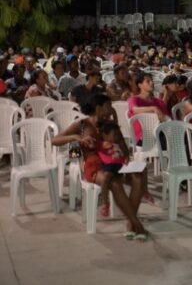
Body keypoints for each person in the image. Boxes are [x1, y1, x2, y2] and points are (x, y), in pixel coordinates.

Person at [52, 94, 150, 240]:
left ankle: (131, 223)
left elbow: (122, 143)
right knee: (114, 182)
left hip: (113, 161)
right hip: (93, 165)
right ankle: (138, 226)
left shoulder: (109, 124)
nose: (111, 109)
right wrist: (75, 138)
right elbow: (55, 140)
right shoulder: (82, 124)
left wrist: (126, 157)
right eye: (108, 106)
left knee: (139, 176)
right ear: (98, 108)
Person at [96, 121, 129, 217]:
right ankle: (105, 203)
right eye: (114, 134)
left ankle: (142, 192)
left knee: (136, 176)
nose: (117, 136)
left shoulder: (118, 143)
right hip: (109, 166)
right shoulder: (101, 144)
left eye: (118, 134)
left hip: (120, 166)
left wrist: (126, 158)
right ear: (104, 135)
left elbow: (126, 154)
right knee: (105, 178)